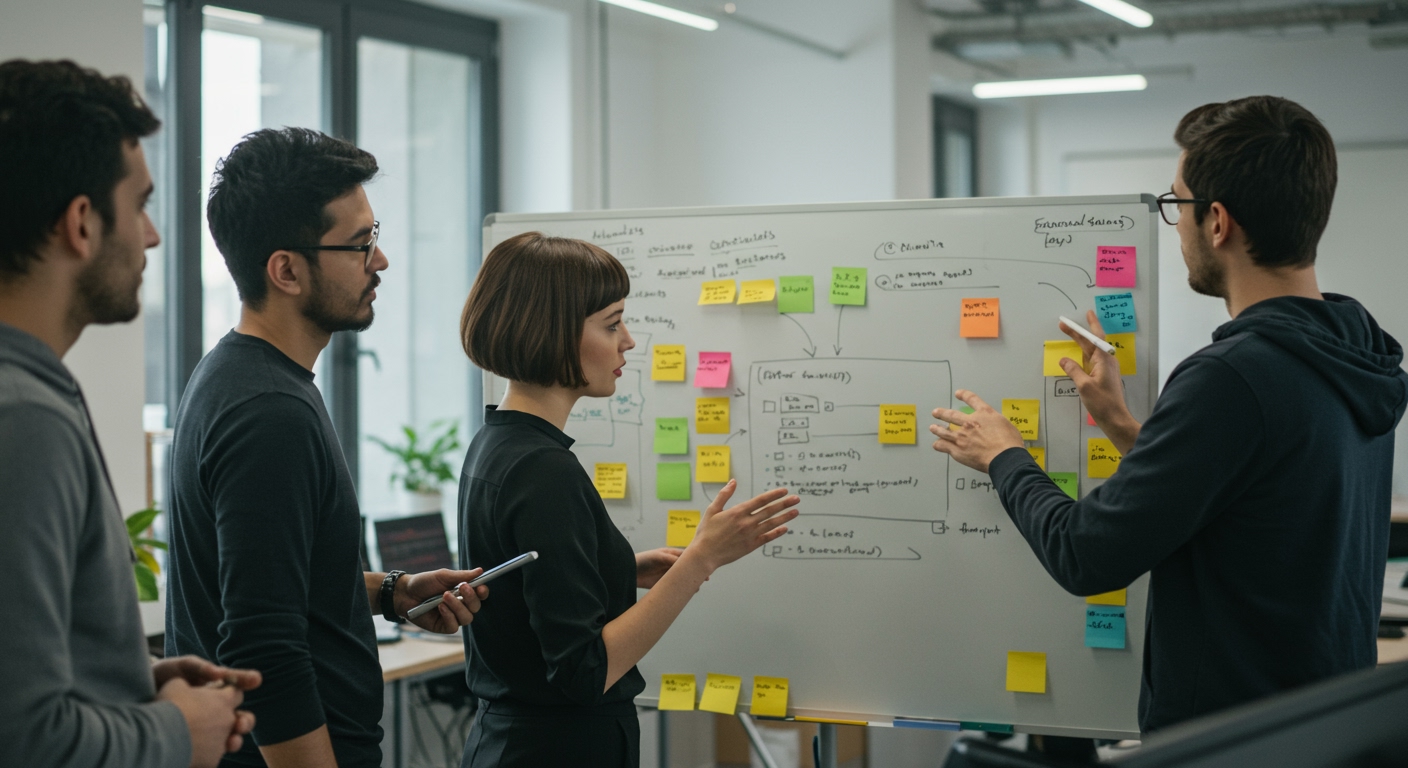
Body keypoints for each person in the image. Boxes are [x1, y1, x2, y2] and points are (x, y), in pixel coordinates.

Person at [929, 95, 1407, 734]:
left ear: (1217, 222)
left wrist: (1003, 455)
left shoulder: (1232, 378)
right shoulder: (1353, 353)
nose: (1172, 223)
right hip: (1320, 724)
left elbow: (1084, 555)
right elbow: (1251, 498)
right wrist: (1127, 429)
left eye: (1175, 204)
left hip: (1230, 740)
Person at [164, 127, 490, 768]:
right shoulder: (269, 414)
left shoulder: (241, 376)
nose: (380, 261)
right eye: (359, 243)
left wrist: (389, 591)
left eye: (376, 235)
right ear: (286, 270)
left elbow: (276, 582)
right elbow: (264, 645)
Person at [456, 232, 801, 767]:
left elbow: (527, 595)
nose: (629, 341)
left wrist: (619, 568)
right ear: (553, 333)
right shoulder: (543, 470)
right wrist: (701, 558)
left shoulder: (498, 442)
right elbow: (584, 669)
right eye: (612, 324)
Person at [0, 59, 260, 767]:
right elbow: (25, 740)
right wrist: (178, 732)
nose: (151, 235)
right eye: (140, 203)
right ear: (81, 223)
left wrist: (125, 683)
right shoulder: (24, 421)